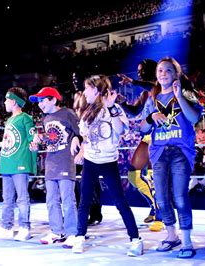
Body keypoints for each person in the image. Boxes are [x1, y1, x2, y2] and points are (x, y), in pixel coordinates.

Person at [71, 74, 144, 256]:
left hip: (108, 161)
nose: (84, 92)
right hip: (90, 160)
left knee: (120, 201)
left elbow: (120, 131)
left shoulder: (114, 107)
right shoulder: (88, 111)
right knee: (84, 200)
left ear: (95, 89)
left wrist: (111, 109)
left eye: (87, 88)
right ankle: (80, 236)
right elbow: (86, 135)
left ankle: (135, 239)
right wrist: (77, 140)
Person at [140, 57, 203, 259]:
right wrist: (151, 118)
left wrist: (180, 97)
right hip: (158, 153)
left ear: (176, 74)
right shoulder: (152, 98)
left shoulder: (185, 92)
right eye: (160, 70)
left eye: (168, 70)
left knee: (180, 197)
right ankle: (171, 235)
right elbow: (142, 127)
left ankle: (186, 240)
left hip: (180, 152)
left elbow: (194, 118)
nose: (163, 73)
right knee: (161, 197)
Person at [29, 87, 80, 248]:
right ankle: (57, 231)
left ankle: (72, 233)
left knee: (68, 201)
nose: (39, 104)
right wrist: (37, 142)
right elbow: (52, 139)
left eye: (42, 100)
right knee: (51, 201)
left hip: (65, 162)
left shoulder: (68, 113)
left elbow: (81, 132)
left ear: (53, 99)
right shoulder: (45, 119)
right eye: (38, 101)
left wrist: (78, 141)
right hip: (50, 164)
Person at [117, 59, 164, 232]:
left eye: (141, 70)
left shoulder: (159, 87)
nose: (139, 73)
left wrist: (134, 82)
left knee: (155, 177)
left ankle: (161, 215)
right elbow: (135, 111)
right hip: (146, 135)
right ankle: (154, 205)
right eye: (137, 71)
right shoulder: (144, 94)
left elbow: (150, 86)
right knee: (132, 175)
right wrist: (122, 102)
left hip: (160, 135)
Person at [0, 87, 37, 241]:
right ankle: (7, 227)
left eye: (7, 99)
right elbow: (9, 140)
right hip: (7, 163)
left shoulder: (25, 118)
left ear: (14, 101)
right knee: (7, 198)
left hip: (20, 163)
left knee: (22, 198)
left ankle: (24, 228)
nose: (4, 102)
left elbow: (32, 137)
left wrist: (34, 144)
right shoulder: (9, 120)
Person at [72, 71, 103, 226]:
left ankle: (96, 213)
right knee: (80, 182)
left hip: (89, 145)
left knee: (90, 181)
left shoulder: (90, 103)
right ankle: (84, 212)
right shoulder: (78, 100)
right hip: (79, 143)